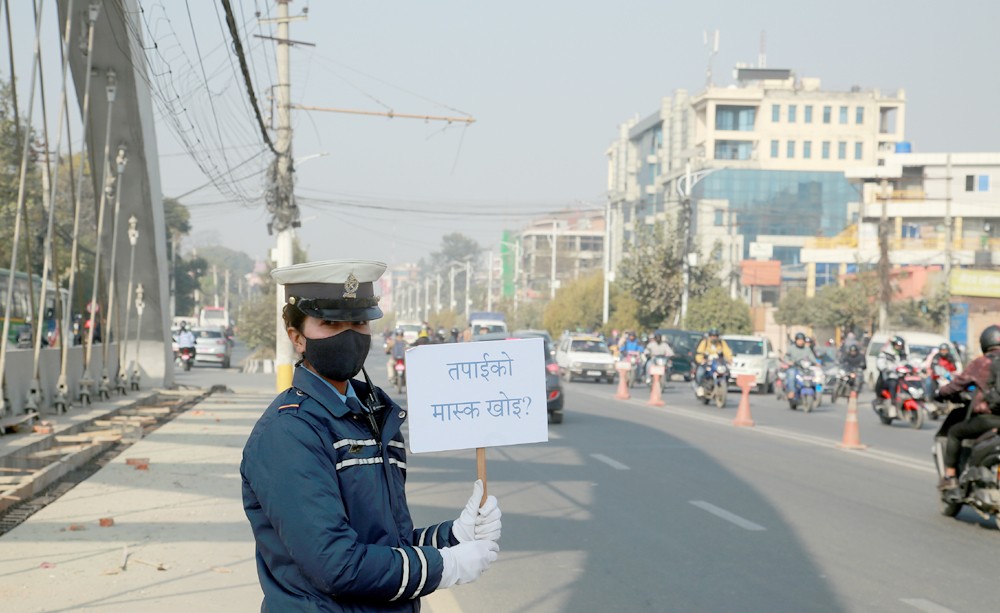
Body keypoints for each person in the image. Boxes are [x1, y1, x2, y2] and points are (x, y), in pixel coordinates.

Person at [241, 260, 501, 610]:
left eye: (359, 322)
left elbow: (386, 542)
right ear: (297, 337)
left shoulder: (374, 415)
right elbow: (336, 565)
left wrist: (453, 536)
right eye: (330, 323)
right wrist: (445, 567)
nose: (348, 335)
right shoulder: (289, 434)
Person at [934, 325, 1000, 493]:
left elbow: (957, 384)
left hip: (988, 418)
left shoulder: (983, 362)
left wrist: (940, 393)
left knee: (955, 432)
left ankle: (950, 476)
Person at [874, 335, 907, 403]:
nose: (899, 347)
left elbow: (908, 363)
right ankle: (892, 402)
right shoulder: (885, 353)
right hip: (890, 376)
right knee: (892, 384)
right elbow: (880, 363)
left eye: (900, 346)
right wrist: (886, 368)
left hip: (902, 377)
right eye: (897, 345)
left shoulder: (903, 355)